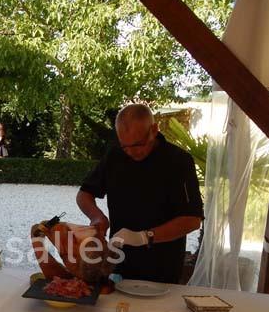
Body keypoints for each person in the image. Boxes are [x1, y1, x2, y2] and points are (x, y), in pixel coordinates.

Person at [76, 104, 203, 284]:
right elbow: (84, 195)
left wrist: (144, 237)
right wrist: (97, 217)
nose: (131, 152)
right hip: (118, 263)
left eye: (138, 145)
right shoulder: (115, 155)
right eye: (125, 146)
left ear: (154, 129)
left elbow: (192, 220)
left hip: (162, 268)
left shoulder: (178, 161)